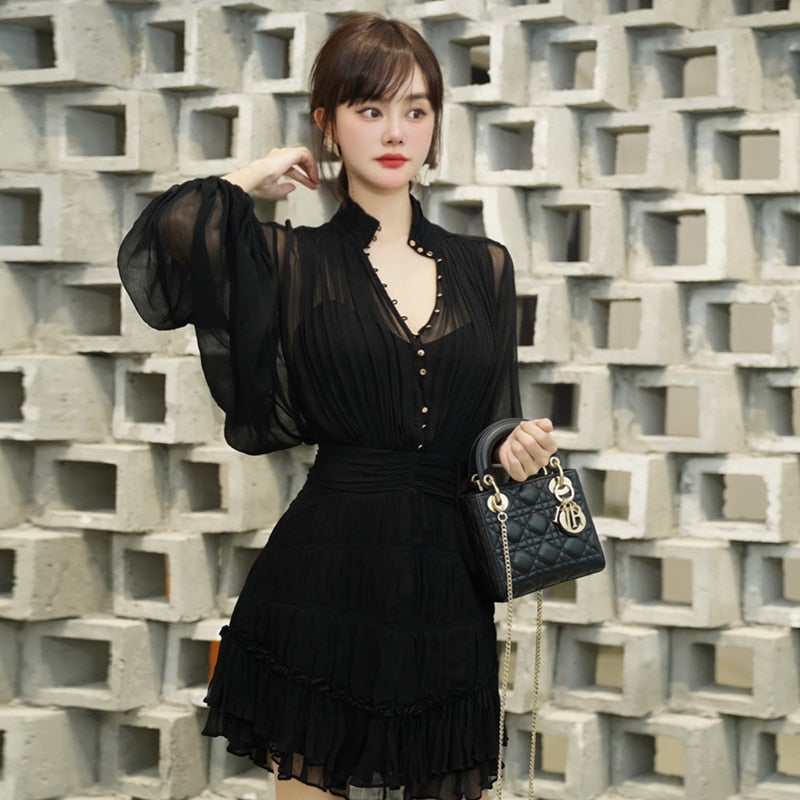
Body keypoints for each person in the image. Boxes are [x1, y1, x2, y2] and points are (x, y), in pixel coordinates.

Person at [118, 12, 557, 800]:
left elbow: (490, 422)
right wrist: (252, 176)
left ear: (436, 124)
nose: (395, 131)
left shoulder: (486, 265)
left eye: (416, 110)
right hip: (325, 575)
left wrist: (510, 447)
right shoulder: (292, 259)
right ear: (328, 123)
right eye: (370, 108)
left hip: (446, 583)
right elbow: (164, 244)